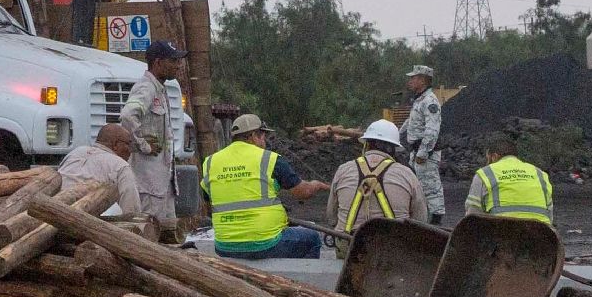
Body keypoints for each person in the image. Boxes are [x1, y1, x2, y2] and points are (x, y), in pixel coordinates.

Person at [200, 114, 328, 259]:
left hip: (225, 245)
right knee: (312, 239)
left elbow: (208, 199)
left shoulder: (211, 162)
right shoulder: (269, 159)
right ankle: (295, 281)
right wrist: (315, 185)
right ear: (254, 135)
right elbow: (303, 192)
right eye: (263, 136)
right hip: (264, 243)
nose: (264, 142)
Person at [325, 120, 429, 248]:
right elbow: (421, 222)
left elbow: (331, 217)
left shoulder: (343, 170)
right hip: (392, 251)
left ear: (366, 145)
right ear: (393, 150)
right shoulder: (407, 174)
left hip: (348, 248)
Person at [119, 40, 184, 221]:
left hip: (162, 184)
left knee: (168, 234)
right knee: (148, 234)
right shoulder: (145, 88)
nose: (178, 66)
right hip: (148, 184)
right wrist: (143, 145)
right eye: (173, 61)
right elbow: (127, 116)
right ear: (158, 63)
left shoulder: (159, 89)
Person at [56, 123, 146, 217]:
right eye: (128, 144)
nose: (130, 150)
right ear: (115, 144)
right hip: (89, 222)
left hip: (55, 210)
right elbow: (131, 211)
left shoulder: (75, 152)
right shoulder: (120, 166)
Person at [467, 130, 556, 224]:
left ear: (494, 156)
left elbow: (473, 213)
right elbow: (549, 213)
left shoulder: (485, 173)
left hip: (501, 231)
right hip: (540, 232)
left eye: (488, 158)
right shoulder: (540, 173)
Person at [400, 65, 446, 221]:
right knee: (419, 186)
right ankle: (424, 218)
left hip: (425, 152)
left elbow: (432, 130)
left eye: (413, 78)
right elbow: (412, 120)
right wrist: (397, 132)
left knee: (431, 188)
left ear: (423, 80)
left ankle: (436, 221)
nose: (410, 81)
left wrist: (423, 153)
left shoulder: (430, 101)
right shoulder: (420, 100)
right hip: (416, 150)